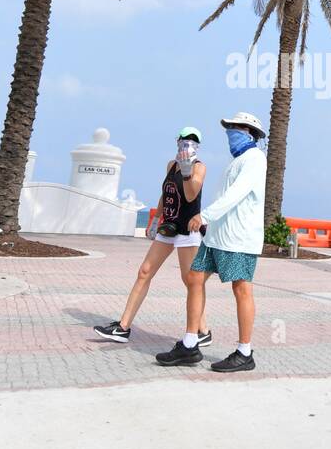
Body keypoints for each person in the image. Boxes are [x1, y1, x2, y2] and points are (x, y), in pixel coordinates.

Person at [156, 111, 266, 373]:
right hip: (216, 236)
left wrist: (204, 215)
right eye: (229, 128)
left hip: (239, 238)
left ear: (250, 133)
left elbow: (237, 195)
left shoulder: (255, 159)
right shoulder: (236, 161)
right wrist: (208, 224)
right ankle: (190, 343)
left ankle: (244, 352)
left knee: (242, 289)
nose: (231, 133)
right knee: (194, 279)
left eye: (236, 128)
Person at [94, 127, 212, 345]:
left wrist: (187, 172)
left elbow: (190, 194)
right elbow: (166, 193)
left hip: (188, 230)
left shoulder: (199, 167)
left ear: (198, 146)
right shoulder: (170, 165)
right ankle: (123, 327)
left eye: (193, 141)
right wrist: (156, 219)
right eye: (184, 139)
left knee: (190, 281)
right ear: (177, 141)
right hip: (168, 227)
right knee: (144, 271)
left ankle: (202, 330)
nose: (188, 144)